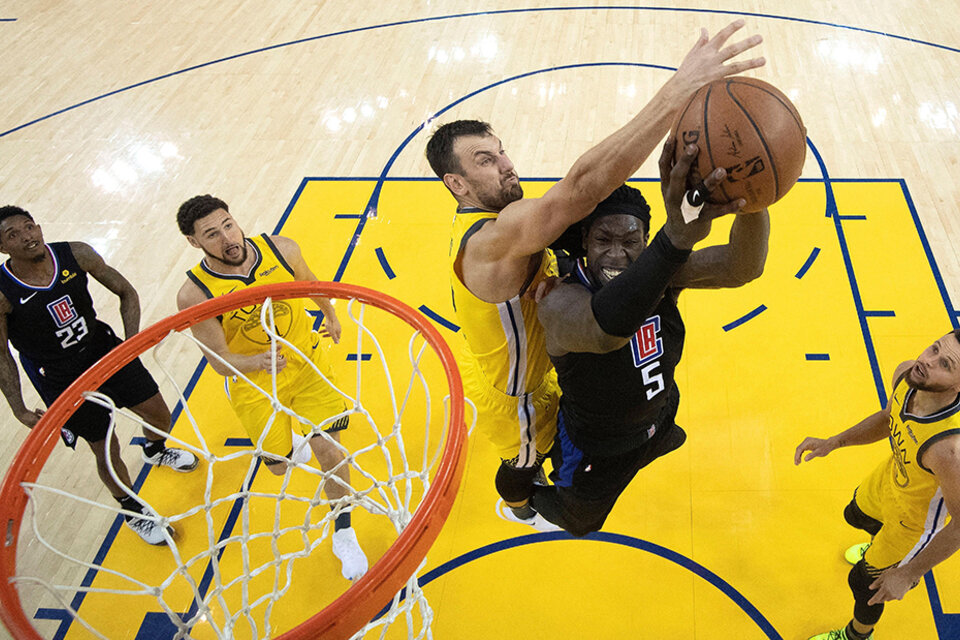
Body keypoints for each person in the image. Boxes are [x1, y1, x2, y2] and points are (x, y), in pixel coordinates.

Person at [426, 20, 765, 529]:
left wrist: (751, 194)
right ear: (457, 183)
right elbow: (581, 189)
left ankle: (644, 438)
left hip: (577, 384)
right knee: (523, 465)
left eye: (501, 152)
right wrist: (679, 91)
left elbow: (739, 267)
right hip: (515, 393)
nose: (507, 166)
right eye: (485, 161)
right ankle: (520, 504)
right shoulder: (491, 241)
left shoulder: (531, 235)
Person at [529, 140, 769, 536]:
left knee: (661, 431)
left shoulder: (662, 275)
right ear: (585, 242)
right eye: (603, 241)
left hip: (660, 414)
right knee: (580, 522)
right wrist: (675, 237)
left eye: (630, 242)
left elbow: (743, 266)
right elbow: (607, 332)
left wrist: (755, 199)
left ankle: (654, 441)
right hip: (596, 448)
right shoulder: (560, 299)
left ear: (644, 242)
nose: (617, 255)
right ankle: (531, 503)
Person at [175, 194, 367, 581]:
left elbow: (309, 282)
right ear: (194, 243)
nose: (227, 237)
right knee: (278, 468)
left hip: (306, 362)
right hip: (255, 382)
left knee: (329, 448)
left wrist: (329, 313)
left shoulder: (281, 249)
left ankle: (343, 531)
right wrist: (253, 363)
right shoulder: (194, 294)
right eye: (211, 234)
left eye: (228, 224)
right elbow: (218, 361)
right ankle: (289, 447)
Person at [0, 205, 199, 546]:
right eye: (12, 235)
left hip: (104, 350)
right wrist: (18, 408)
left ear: (39, 226)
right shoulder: (4, 293)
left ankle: (154, 450)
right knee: (105, 447)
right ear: (3, 248)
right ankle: (132, 508)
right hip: (61, 377)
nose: (27, 236)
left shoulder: (76, 253)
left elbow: (126, 292)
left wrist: (132, 341)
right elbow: (2, 355)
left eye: (29, 227)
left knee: (160, 415)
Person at [795, 331, 960, 640]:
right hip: (891, 481)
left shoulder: (948, 450)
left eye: (945, 364)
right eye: (934, 348)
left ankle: (857, 635)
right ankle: (882, 551)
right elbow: (889, 418)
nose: (926, 361)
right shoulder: (906, 375)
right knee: (855, 515)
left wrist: (909, 574)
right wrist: (835, 442)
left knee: (863, 583)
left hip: (914, 521)